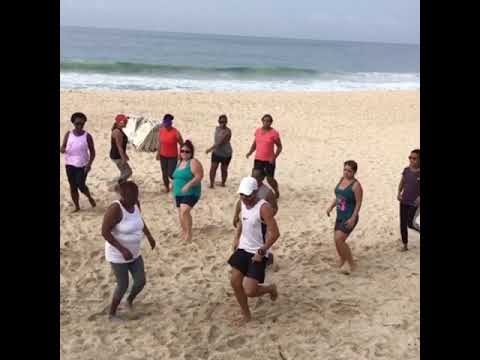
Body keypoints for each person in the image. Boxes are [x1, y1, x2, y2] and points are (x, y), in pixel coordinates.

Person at [101, 181, 156, 321]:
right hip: (118, 254)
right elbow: (105, 232)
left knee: (140, 281)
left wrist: (149, 235)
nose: (135, 198)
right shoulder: (115, 209)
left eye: (136, 195)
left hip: (135, 252)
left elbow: (140, 220)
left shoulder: (136, 204)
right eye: (132, 196)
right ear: (123, 196)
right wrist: (122, 249)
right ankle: (112, 314)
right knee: (123, 284)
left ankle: (129, 300)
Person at [228, 177, 279, 324]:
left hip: (258, 251)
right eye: (242, 195)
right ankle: (246, 315)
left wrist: (262, 251)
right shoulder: (242, 203)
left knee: (250, 291)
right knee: (235, 282)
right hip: (244, 248)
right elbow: (242, 222)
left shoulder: (264, 208)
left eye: (248, 195)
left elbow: (275, 233)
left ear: (256, 192)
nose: (245, 198)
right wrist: (236, 238)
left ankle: (270, 289)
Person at [233, 168, 278, 266]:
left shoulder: (268, 192)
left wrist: (266, 216)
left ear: (262, 178)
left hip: (262, 223)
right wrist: (236, 215)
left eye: (257, 178)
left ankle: (269, 260)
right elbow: (240, 202)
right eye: (253, 176)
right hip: (248, 219)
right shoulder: (247, 187)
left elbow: (275, 207)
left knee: (265, 245)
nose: (254, 179)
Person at [326, 160, 363, 274]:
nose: (346, 172)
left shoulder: (356, 186)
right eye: (345, 170)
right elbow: (338, 196)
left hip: (349, 216)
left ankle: (352, 263)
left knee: (339, 239)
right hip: (340, 215)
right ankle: (343, 259)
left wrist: (353, 218)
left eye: (349, 171)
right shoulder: (342, 180)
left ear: (354, 172)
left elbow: (358, 203)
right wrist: (331, 207)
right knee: (337, 241)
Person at [60, 112, 96, 212]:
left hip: (82, 165)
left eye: (82, 124)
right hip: (69, 164)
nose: (79, 126)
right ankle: (77, 206)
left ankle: (89, 197)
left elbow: (93, 152)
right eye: (77, 124)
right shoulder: (68, 134)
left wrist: (89, 164)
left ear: (84, 123)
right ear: (73, 123)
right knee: (72, 186)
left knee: (81, 185)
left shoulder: (87, 136)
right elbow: (63, 146)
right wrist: (62, 149)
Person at [172, 140, 204, 241]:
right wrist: (171, 184)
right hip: (178, 192)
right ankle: (184, 231)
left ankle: (189, 233)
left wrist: (188, 185)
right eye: (182, 151)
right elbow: (175, 177)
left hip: (191, 192)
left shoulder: (193, 162)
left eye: (187, 151)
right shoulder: (179, 163)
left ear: (191, 153)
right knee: (180, 213)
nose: (184, 153)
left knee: (184, 211)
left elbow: (199, 176)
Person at [246, 114, 282, 198]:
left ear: (271, 122)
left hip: (269, 160)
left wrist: (274, 157)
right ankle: (254, 194)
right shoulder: (258, 131)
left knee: (270, 179)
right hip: (258, 159)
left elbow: (280, 147)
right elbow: (255, 143)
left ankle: (276, 190)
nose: (266, 122)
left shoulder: (274, 133)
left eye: (268, 121)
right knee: (254, 177)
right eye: (265, 120)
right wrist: (250, 152)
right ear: (262, 121)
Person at [397, 149, 420, 251]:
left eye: (414, 158)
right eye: (410, 158)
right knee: (402, 224)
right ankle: (405, 245)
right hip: (404, 200)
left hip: (415, 203)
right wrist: (398, 192)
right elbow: (402, 183)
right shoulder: (406, 170)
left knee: (410, 224)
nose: (411, 160)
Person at [156, 114, 183, 193]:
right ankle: (167, 187)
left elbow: (182, 144)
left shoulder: (176, 132)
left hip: (172, 156)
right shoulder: (161, 130)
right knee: (164, 173)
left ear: (171, 124)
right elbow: (160, 143)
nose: (166, 126)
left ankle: (180, 182)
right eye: (165, 125)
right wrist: (158, 153)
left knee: (171, 173)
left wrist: (181, 155)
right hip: (162, 155)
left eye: (168, 125)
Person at [205, 114, 233, 188]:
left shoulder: (228, 131)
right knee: (213, 168)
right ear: (218, 121)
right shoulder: (217, 128)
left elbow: (220, 142)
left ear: (226, 122)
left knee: (223, 169)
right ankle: (211, 184)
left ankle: (223, 183)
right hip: (216, 152)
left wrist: (210, 149)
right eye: (221, 122)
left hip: (226, 153)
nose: (222, 123)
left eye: (224, 122)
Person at [110, 114, 132, 184]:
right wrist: (123, 158)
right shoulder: (117, 132)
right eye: (125, 121)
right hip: (117, 156)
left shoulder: (119, 130)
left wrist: (125, 155)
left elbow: (121, 146)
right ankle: (119, 184)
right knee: (128, 172)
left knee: (124, 171)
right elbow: (119, 147)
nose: (126, 122)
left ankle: (122, 184)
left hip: (117, 155)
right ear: (120, 122)